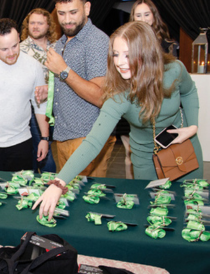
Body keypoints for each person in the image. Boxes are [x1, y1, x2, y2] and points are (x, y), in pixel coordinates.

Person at [33, 21, 203, 220]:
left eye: (128, 55)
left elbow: (189, 91)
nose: (120, 62)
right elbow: (94, 142)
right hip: (146, 156)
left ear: (147, 53)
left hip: (182, 145)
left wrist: (192, 126)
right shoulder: (118, 95)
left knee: (192, 210)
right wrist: (59, 183)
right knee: (154, 213)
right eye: (115, 54)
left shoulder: (174, 69)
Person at [36, 0, 116, 176]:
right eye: (61, 13)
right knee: (67, 196)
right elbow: (70, 84)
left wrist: (64, 71)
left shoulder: (97, 41)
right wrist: (49, 90)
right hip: (63, 135)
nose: (66, 20)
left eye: (73, 12)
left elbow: (101, 97)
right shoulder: (61, 42)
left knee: (87, 199)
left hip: (89, 137)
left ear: (87, 8)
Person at [0, 18, 49, 172]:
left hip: (20, 143)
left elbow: (40, 105)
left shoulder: (33, 66)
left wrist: (44, 138)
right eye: (4, 49)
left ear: (20, 37)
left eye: (14, 46)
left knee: (20, 193)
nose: (11, 53)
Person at [20, 8, 56, 173]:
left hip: (57, 107)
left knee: (40, 151)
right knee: (44, 149)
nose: (35, 26)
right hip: (35, 110)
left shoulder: (57, 47)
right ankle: (50, 185)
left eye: (40, 23)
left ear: (48, 25)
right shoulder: (20, 50)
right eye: (32, 23)